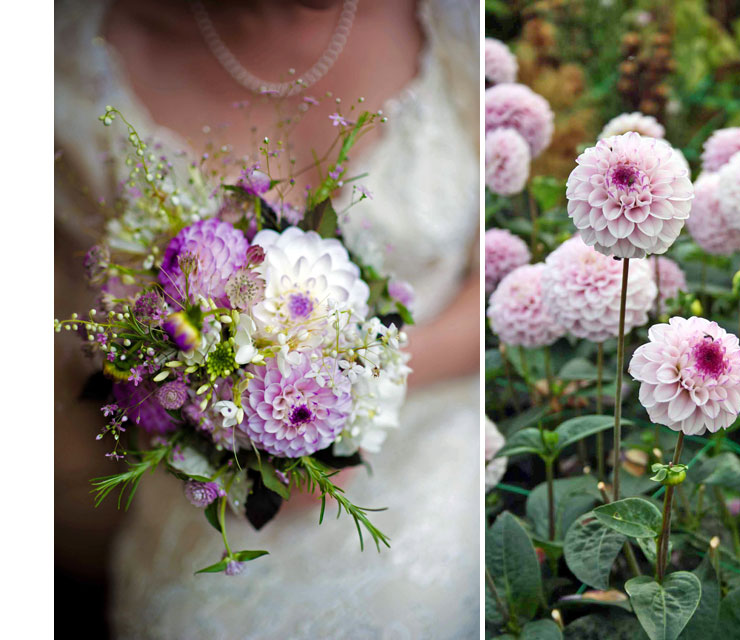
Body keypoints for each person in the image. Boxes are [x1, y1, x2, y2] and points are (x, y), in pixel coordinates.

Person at [54, 0, 483, 636]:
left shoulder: (458, 29)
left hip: (448, 408)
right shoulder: (65, 80)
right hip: (213, 488)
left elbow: (501, 277)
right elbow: (81, 351)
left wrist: (356, 389)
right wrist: (212, 422)